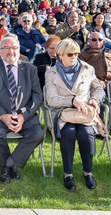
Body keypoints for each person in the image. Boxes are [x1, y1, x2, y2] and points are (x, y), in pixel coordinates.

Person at [0, 37, 44, 184]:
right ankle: (11, 166)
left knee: (37, 134)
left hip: (25, 116)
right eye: (6, 48)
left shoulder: (30, 68)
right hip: (0, 116)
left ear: (19, 50)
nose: (11, 51)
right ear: (0, 51)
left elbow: (37, 95)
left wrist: (24, 116)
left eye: (14, 48)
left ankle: (8, 165)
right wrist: (2, 116)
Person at [45, 38, 104, 191]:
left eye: (77, 53)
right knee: (69, 133)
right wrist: (72, 100)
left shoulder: (87, 68)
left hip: (84, 113)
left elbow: (98, 89)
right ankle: (68, 174)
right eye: (70, 54)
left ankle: (88, 172)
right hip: (62, 113)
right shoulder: (51, 73)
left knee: (86, 134)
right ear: (60, 55)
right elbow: (51, 99)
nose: (74, 57)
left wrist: (94, 99)